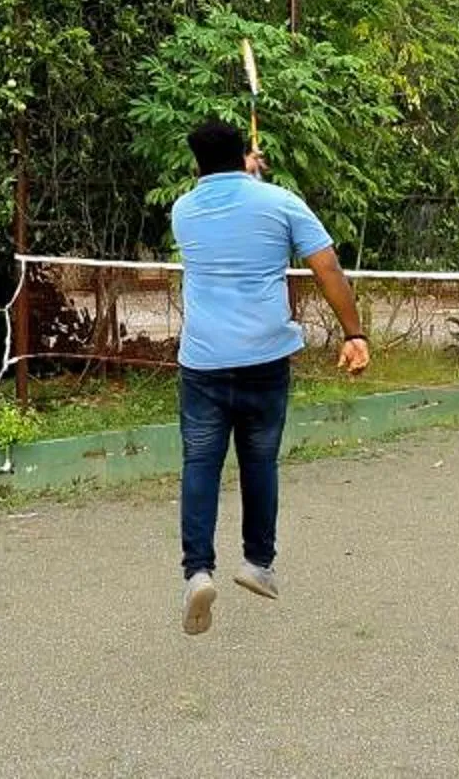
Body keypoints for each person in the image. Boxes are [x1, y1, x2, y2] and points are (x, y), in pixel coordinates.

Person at [168, 119, 372, 636]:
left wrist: (244, 175)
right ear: (244, 154)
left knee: (200, 463)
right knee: (259, 460)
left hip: (203, 362)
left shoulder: (183, 211)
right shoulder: (281, 203)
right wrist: (353, 332)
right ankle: (258, 562)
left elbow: (225, 203)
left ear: (196, 162)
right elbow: (327, 268)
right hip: (264, 360)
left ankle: (197, 572)